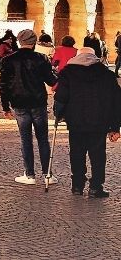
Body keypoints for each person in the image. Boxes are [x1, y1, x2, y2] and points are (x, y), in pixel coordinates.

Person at [54, 46, 121, 198]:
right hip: (99, 121)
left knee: (77, 153)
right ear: (95, 57)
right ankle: (96, 187)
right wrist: (115, 127)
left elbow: (61, 98)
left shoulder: (67, 73)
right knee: (98, 155)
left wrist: (58, 115)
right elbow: (116, 101)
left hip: (75, 121)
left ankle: (77, 185)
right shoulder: (106, 74)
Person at [0, 29, 57, 185]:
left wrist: (5, 107)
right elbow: (51, 81)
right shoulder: (41, 58)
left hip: (19, 103)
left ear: (19, 41)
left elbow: (4, 86)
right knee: (43, 139)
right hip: (38, 102)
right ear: (34, 42)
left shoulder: (8, 60)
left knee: (26, 140)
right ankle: (47, 174)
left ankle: (30, 175)